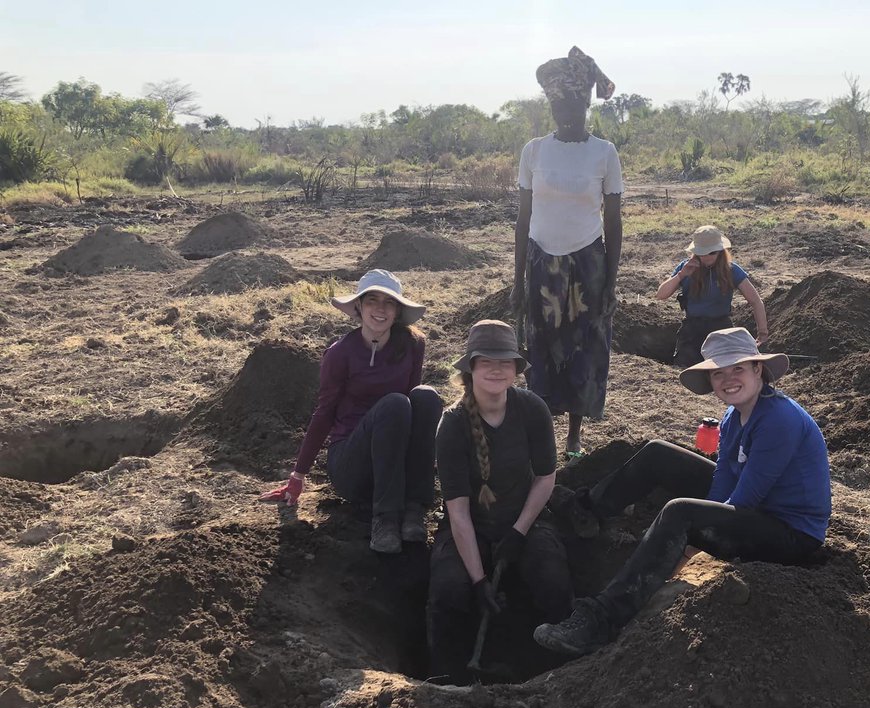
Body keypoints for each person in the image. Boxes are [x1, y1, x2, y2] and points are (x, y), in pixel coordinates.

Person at [534, 327, 830, 657]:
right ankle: (587, 510)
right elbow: (725, 478)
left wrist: (685, 535)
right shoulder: (736, 415)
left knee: (679, 512)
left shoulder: (779, 420)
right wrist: (693, 524)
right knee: (659, 452)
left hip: (790, 534)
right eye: (719, 372)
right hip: (757, 513)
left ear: (758, 369)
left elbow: (746, 498)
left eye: (738, 369)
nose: (728, 379)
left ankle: (602, 620)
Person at [427, 320, 573, 684]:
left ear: (516, 369)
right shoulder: (452, 425)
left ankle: (556, 670)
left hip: (526, 519)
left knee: (552, 580)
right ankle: (448, 674)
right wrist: (478, 583)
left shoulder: (532, 409)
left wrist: (519, 533)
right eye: (486, 361)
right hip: (469, 529)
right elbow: (458, 511)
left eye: (505, 361)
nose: (496, 368)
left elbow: (545, 477)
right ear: (471, 367)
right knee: (449, 591)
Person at [258, 270, 442, 554]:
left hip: (392, 461)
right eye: (372, 301)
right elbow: (324, 412)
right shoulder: (339, 353)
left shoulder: (412, 344)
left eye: (388, 302)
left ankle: (414, 509)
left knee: (426, 397)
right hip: (352, 463)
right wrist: (298, 476)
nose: (380, 309)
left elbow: (414, 406)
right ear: (358, 307)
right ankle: (384, 518)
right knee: (394, 403)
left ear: (397, 310)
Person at [511, 46, 623, 458]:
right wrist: (517, 282)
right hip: (542, 263)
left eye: (575, 102)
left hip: (588, 264)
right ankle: (542, 432)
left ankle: (575, 435)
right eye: (559, 103)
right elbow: (523, 221)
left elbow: (613, 223)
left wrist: (611, 283)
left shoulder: (603, 153)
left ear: (587, 103)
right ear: (551, 105)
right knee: (539, 347)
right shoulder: (534, 151)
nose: (566, 111)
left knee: (585, 347)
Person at [656, 225, 769, 366]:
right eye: (702, 253)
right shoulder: (686, 268)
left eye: (712, 253)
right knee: (684, 367)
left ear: (720, 251)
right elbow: (661, 295)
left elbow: (755, 301)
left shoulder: (731, 270)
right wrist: (681, 275)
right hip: (692, 329)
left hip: (721, 328)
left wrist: (762, 333)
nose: (707, 257)